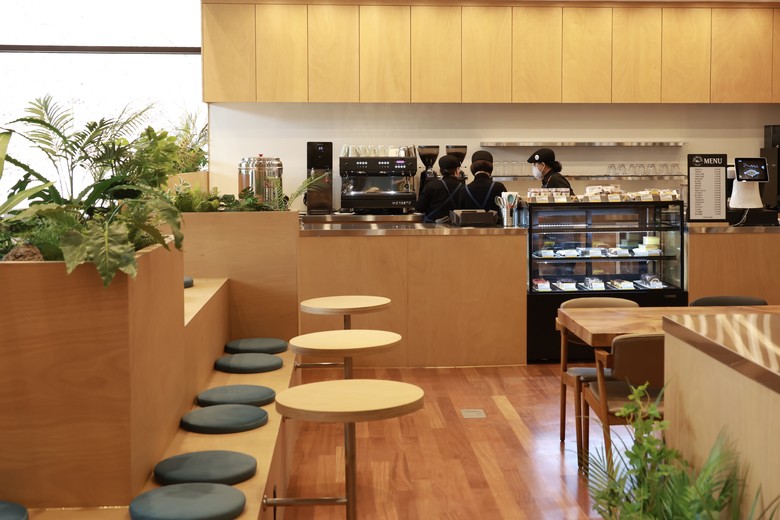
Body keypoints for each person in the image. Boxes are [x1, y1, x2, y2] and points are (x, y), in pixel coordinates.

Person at [415, 154, 463, 222]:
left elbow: (419, 208)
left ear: (441, 170)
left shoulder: (431, 185)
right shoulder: (463, 188)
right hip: (454, 225)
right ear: (457, 170)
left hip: (432, 225)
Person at [460, 150, 507, 217]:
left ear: (472, 168)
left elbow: (459, 213)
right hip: (494, 223)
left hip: (470, 223)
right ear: (491, 167)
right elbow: (506, 211)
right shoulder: (498, 187)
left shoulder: (464, 189)